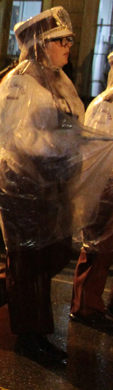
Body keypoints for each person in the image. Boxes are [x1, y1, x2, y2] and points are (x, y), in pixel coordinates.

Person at [0, 8, 113, 362]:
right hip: (23, 184)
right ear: (40, 44)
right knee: (31, 261)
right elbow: (16, 138)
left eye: (70, 40)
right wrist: (64, 141)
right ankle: (31, 336)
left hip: (51, 183)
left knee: (56, 250)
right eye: (61, 40)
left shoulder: (59, 80)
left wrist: (76, 141)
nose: (68, 46)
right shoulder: (21, 81)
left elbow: (70, 122)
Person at [70, 51, 113, 329]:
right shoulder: (104, 105)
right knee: (97, 246)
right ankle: (85, 305)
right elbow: (96, 149)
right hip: (106, 186)